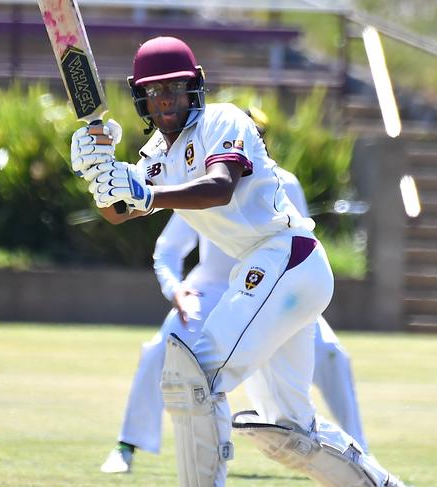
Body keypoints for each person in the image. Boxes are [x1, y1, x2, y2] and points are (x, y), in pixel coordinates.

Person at [71, 36, 405, 487]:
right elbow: (117, 211)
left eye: (175, 88)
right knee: (289, 431)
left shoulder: (222, 119)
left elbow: (219, 186)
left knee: (196, 376)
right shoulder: (153, 157)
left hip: (286, 258)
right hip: (273, 275)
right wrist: (98, 172)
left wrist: (145, 194)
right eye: (155, 91)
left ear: (196, 88)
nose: (166, 99)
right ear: (141, 98)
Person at [100, 169, 368, 474]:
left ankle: (357, 453)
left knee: (332, 354)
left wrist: (300, 299)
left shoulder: (284, 182)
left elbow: (303, 243)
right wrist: (175, 288)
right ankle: (127, 445)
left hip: (275, 288)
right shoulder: (205, 181)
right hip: (213, 289)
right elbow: (169, 249)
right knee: (165, 346)